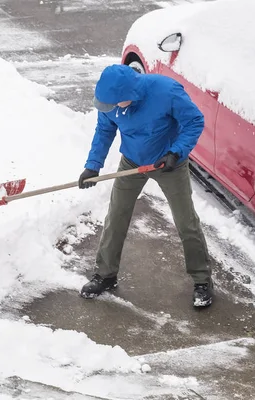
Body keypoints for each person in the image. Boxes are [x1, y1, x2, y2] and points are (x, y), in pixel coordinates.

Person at [78, 64, 213, 307]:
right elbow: (104, 130)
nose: (112, 110)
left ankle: (202, 280)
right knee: (116, 216)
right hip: (132, 162)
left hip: (168, 163)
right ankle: (105, 275)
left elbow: (194, 121)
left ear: (130, 94)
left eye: (116, 103)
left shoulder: (166, 91)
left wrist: (176, 152)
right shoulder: (110, 102)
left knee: (186, 222)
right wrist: (93, 165)